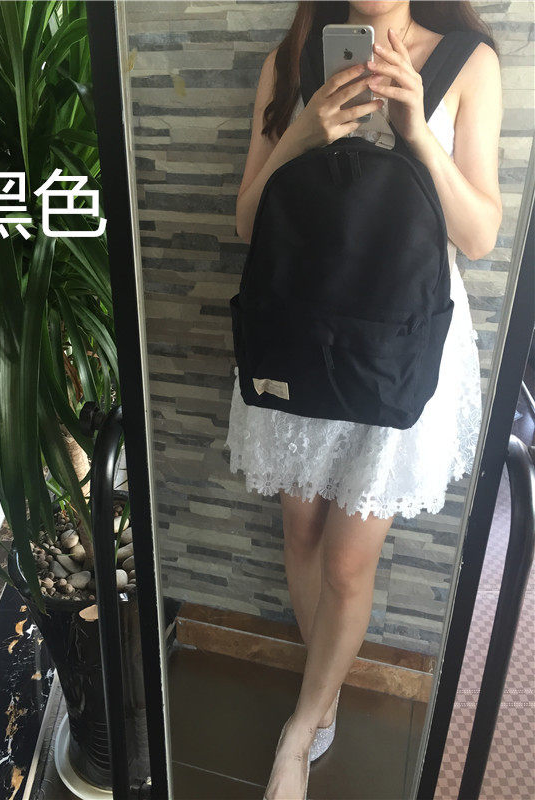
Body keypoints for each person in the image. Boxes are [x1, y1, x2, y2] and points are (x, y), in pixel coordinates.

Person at [224, 1, 502, 798]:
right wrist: (304, 135)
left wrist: (417, 132)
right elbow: (247, 220)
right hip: (300, 329)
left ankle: (299, 730)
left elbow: (479, 236)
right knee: (302, 533)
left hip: (400, 343)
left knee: (348, 561)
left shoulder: (466, 62)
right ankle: (326, 694)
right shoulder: (291, 59)